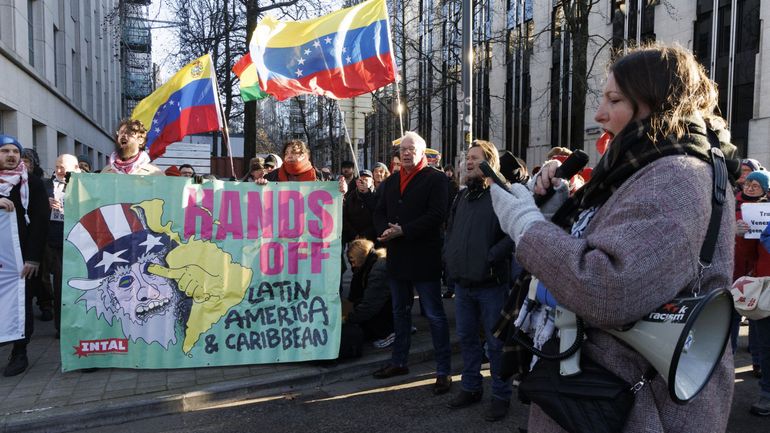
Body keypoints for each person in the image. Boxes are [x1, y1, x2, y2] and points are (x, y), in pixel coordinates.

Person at [490, 44, 739, 431]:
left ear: (656, 103)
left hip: (635, 409)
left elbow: (607, 287)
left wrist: (525, 224)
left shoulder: (677, 176)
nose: (599, 113)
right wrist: (557, 212)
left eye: (615, 99)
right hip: (613, 398)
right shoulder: (656, 166)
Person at [372, 131, 452, 395]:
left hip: (424, 258)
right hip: (398, 258)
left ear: (422, 152)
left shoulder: (436, 179)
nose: (406, 153)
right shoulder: (392, 180)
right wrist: (385, 229)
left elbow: (437, 215)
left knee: (434, 315)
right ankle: (399, 361)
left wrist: (404, 230)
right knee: (400, 313)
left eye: (411, 149)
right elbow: (379, 210)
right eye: (403, 149)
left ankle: (443, 371)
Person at [443, 140, 514, 421]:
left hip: (491, 285)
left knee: (496, 346)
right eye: (467, 158)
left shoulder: (501, 194)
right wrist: (448, 256)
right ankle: (471, 387)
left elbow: (513, 233)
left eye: (475, 158)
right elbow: (450, 231)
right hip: (463, 283)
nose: (468, 162)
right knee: (468, 340)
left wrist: (491, 256)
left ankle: (500, 396)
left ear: (489, 163)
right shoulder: (461, 197)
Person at [0, 134, 50, 377]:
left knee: (22, 303)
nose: (11, 156)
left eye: (15, 152)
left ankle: (20, 352)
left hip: (21, 260)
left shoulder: (32, 183)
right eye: (5, 151)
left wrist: (33, 258)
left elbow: (40, 222)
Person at [45, 154, 81, 338]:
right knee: (60, 285)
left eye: (64, 168)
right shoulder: (46, 185)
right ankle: (61, 327)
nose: (60, 171)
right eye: (57, 166)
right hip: (56, 242)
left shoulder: (86, 185)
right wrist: (46, 204)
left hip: (81, 242)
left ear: (76, 168)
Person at [341, 239, 394, 352]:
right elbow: (356, 296)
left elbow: (371, 304)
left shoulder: (378, 269)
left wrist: (349, 319)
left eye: (352, 259)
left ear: (360, 256)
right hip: (382, 304)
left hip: (388, 309)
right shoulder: (367, 265)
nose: (352, 264)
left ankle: (390, 332)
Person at [342, 170, 377, 244]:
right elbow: (345, 217)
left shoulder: (377, 196)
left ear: (372, 182)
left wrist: (364, 235)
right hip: (353, 239)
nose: (362, 182)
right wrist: (353, 234)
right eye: (360, 180)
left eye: (366, 180)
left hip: (372, 240)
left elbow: (377, 217)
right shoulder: (351, 197)